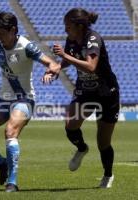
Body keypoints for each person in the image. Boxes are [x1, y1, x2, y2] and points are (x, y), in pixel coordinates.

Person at [0, 12, 60, 192]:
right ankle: (1, 162)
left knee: (10, 131)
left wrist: (50, 71)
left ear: (13, 30)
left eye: (2, 34)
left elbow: (53, 64)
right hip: (2, 99)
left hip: (24, 99)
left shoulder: (26, 46)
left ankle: (12, 182)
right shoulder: (0, 47)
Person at [51, 8, 120, 188]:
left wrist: (64, 56)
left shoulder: (93, 38)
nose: (65, 29)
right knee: (70, 124)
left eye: (68, 26)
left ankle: (108, 175)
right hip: (85, 91)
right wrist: (59, 66)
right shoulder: (71, 39)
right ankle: (82, 148)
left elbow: (90, 66)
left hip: (106, 92)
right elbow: (69, 59)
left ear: (79, 26)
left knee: (103, 142)